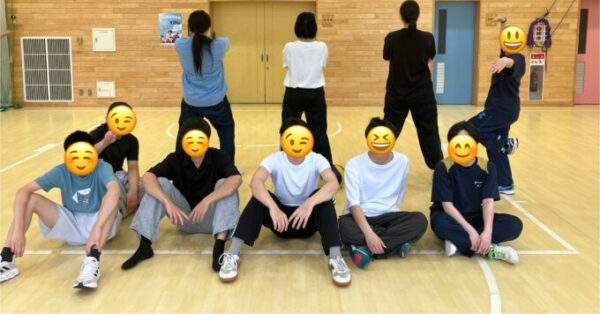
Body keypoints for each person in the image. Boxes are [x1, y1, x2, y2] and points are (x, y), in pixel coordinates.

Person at [218, 118, 351, 286]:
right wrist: (273, 208)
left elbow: (333, 183)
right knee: (258, 197)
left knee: (325, 198)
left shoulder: (317, 159)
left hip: (307, 221)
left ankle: (336, 258)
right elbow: (255, 182)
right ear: (282, 140)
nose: (297, 144)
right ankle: (232, 254)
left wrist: (308, 204)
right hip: (281, 222)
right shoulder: (273, 159)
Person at [0, 131, 122, 289]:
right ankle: (7, 258)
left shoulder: (103, 167)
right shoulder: (61, 171)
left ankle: (93, 260)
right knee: (31, 199)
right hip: (73, 223)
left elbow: (114, 190)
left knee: (111, 203)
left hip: (100, 226)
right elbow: (22, 191)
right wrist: (18, 231)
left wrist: (97, 228)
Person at [121, 117, 241, 272]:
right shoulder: (175, 158)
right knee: (160, 183)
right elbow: (148, 177)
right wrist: (168, 203)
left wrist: (206, 201)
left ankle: (219, 247)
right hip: (184, 218)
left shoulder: (219, 156)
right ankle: (144, 246)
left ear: (207, 140)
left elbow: (236, 179)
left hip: (213, 221)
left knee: (225, 184)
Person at [338, 118, 428, 268]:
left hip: (388, 215)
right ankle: (393, 245)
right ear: (368, 139)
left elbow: (397, 197)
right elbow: (354, 205)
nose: (381, 142)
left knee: (419, 220)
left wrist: (372, 235)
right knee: (342, 226)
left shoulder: (402, 161)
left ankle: (365, 248)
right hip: (359, 215)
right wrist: (369, 233)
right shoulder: (354, 164)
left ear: (393, 140)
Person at [430, 121, 523, 264]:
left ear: (476, 144)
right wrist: (471, 231)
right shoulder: (443, 167)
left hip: (476, 217)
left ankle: (458, 242)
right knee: (439, 223)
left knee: (514, 224)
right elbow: (447, 205)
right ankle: (491, 250)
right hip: (450, 216)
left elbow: (488, 202)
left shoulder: (487, 167)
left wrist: (487, 232)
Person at [383, 0, 443, 169]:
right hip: (422, 94)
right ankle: (439, 169)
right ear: (418, 15)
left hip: (396, 94)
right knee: (429, 132)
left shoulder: (392, 38)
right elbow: (429, 58)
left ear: (401, 16)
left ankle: (378, 163)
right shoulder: (428, 38)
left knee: (387, 132)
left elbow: (387, 57)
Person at [468, 17, 525, 195]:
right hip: (502, 110)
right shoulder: (506, 53)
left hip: (500, 110)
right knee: (495, 151)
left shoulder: (519, 58)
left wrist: (505, 62)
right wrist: (503, 24)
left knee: (469, 128)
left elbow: (513, 62)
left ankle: (504, 144)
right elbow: (505, 44)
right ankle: (506, 184)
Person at [281, 12, 340, 182]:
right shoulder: (322, 47)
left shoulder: (289, 47)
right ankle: (327, 173)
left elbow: (287, 66)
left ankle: (286, 170)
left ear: (296, 27)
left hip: (294, 92)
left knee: (288, 131)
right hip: (315, 93)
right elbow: (322, 65)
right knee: (319, 133)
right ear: (314, 27)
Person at [175, 10, 235, 162]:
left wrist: (192, 33)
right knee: (226, 131)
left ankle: (179, 166)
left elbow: (190, 40)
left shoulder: (180, 45)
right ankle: (228, 169)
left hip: (191, 101)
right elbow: (224, 40)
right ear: (208, 27)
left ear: (189, 28)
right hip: (216, 101)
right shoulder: (219, 45)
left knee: (184, 134)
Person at [90, 101, 141, 214]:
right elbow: (87, 157)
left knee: (144, 187)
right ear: (107, 119)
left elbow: (133, 168)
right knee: (113, 191)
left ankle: (122, 206)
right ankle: (119, 209)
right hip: (99, 177)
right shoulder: (96, 134)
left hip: (118, 174)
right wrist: (105, 142)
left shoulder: (132, 140)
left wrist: (133, 191)